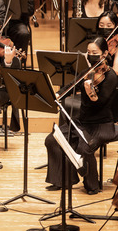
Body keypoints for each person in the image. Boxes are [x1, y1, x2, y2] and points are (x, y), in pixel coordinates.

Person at [45, 37, 117, 195]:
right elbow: (72, 85)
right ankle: (62, 180)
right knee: (52, 140)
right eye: (89, 52)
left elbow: (100, 103)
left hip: (102, 125)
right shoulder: (89, 72)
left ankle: (92, 185)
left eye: (95, 53)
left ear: (105, 54)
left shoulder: (111, 77)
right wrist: (58, 94)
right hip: (83, 122)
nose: (91, 56)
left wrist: (91, 94)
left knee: (84, 148)